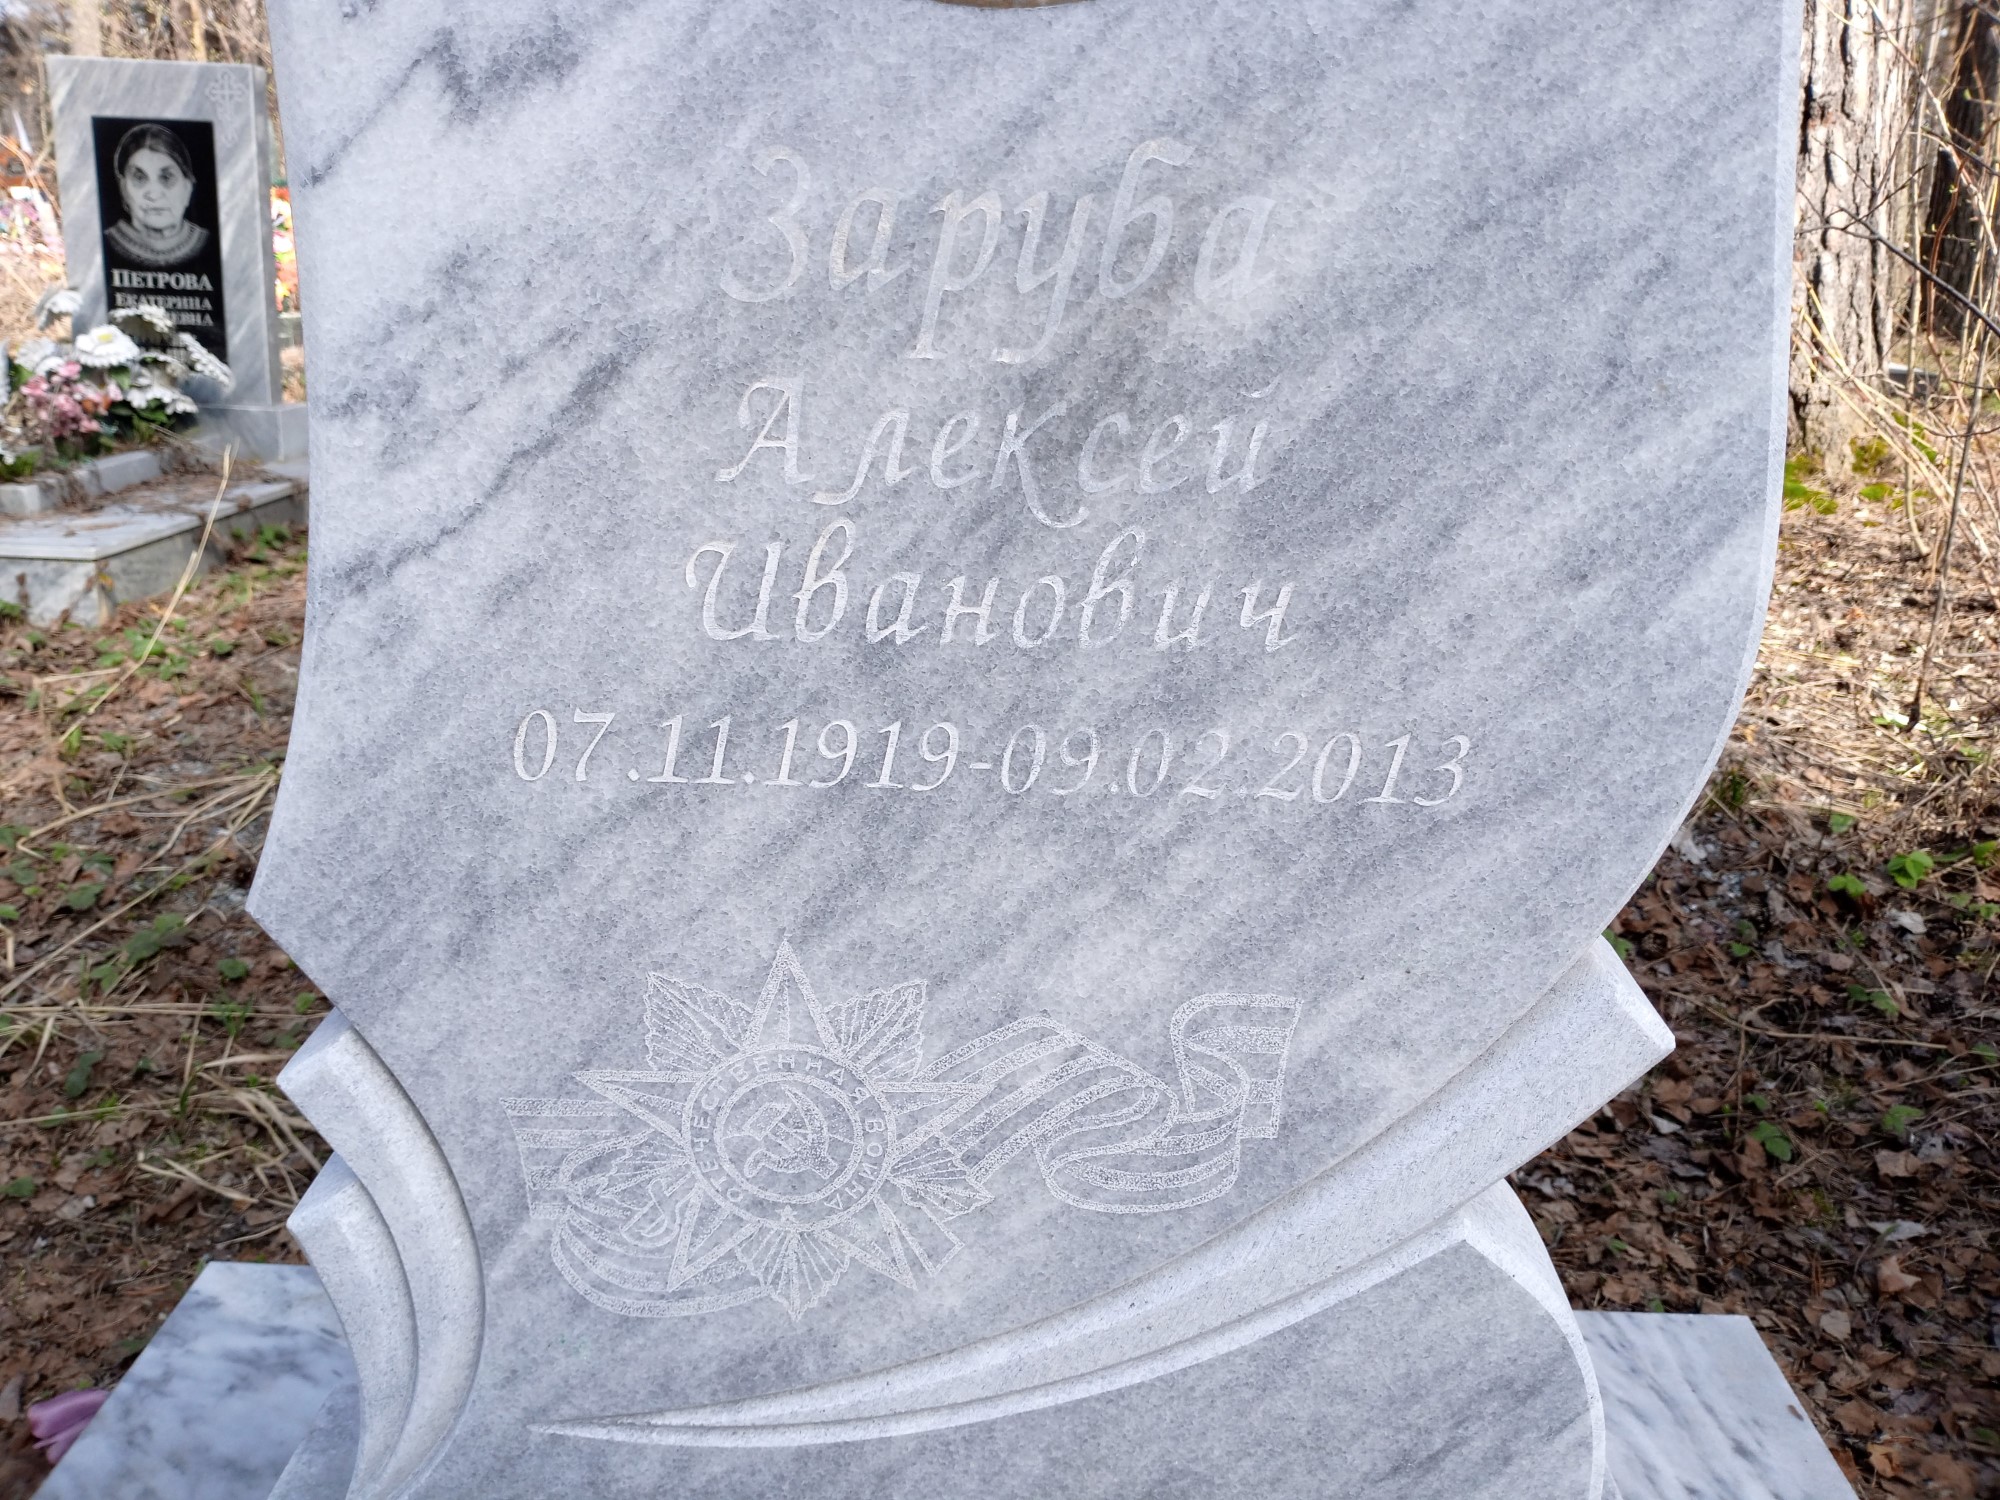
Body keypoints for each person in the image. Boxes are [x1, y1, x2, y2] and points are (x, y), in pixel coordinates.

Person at [102, 123, 210, 268]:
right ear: (123, 189)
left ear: (187, 187)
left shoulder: (212, 243)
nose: (154, 194)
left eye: (167, 177)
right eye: (139, 178)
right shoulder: (102, 245)